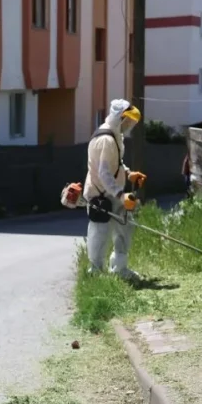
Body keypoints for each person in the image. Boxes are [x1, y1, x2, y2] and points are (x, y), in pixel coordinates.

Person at [83, 99, 146, 281]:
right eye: (128, 121)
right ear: (119, 118)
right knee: (100, 235)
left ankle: (119, 269)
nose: (130, 125)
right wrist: (120, 194)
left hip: (115, 195)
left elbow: (114, 164)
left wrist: (128, 173)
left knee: (125, 229)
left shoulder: (115, 136)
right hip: (102, 196)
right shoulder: (106, 140)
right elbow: (103, 173)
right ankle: (95, 274)